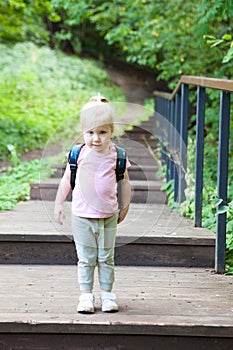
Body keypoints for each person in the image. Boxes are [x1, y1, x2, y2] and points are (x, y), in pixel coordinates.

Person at [54, 94, 131, 314]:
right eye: (90, 132)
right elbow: (66, 181)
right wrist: (59, 203)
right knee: (86, 259)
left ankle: (107, 295)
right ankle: (86, 295)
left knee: (106, 257)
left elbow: (124, 181)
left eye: (102, 132)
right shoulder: (77, 154)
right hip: (81, 216)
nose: (95, 138)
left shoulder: (117, 156)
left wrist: (125, 206)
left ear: (111, 131)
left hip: (108, 216)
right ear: (83, 131)